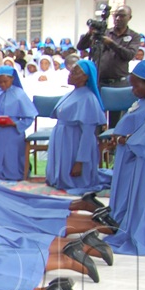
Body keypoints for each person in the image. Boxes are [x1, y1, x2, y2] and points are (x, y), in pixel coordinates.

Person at [105, 60, 145, 255]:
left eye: (137, 85)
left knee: (144, 203)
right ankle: (120, 221)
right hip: (132, 158)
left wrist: (127, 139)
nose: (133, 89)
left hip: (144, 161)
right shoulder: (144, 102)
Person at [46, 60, 109, 194]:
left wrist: (80, 162)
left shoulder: (88, 98)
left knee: (74, 181)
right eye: (71, 71)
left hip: (74, 141)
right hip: (64, 137)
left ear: (86, 77)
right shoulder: (69, 94)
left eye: (75, 72)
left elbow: (87, 135)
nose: (70, 74)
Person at [77, 5, 141, 126]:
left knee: (115, 121)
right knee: (96, 119)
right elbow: (81, 46)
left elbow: (129, 55)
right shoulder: (105, 32)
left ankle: (113, 144)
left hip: (118, 83)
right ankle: (97, 143)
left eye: (122, 15)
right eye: (115, 15)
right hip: (99, 82)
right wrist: (89, 33)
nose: (118, 18)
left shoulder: (134, 36)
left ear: (129, 17)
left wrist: (111, 43)